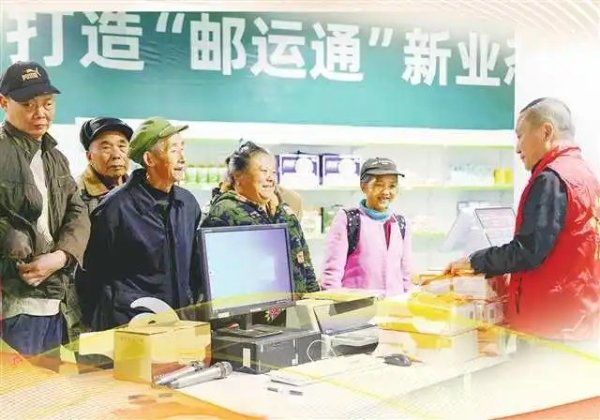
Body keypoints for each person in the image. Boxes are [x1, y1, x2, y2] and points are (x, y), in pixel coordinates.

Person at [445, 97, 600, 346]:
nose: (518, 148)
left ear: (546, 131)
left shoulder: (551, 179)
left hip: (548, 324)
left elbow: (528, 251)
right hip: (580, 317)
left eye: (520, 136)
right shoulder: (585, 174)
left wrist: (475, 261)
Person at [0, 61, 90, 369]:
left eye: (47, 104)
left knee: (47, 389)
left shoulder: (57, 158)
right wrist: (14, 243)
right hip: (14, 302)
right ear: (4, 103)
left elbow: (78, 211)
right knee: (17, 392)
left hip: (56, 302)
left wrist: (62, 256)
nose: (40, 113)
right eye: (28, 105)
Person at [83, 117, 202, 330]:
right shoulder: (115, 208)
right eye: (174, 150)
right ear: (149, 159)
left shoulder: (188, 204)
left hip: (179, 324)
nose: (182, 158)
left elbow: (194, 268)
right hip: (132, 327)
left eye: (182, 149)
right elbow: (92, 275)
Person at [201, 141, 319, 294]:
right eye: (264, 171)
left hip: (298, 305)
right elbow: (220, 279)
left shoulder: (285, 212)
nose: (270, 178)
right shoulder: (225, 213)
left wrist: (314, 296)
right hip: (254, 306)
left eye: (273, 172)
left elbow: (305, 263)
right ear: (238, 176)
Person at [320, 157, 413, 296]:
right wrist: (333, 304)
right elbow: (331, 276)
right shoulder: (348, 219)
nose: (386, 192)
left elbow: (406, 275)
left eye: (392, 186)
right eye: (379, 185)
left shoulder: (401, 223)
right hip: (358, 307)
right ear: (363, 186)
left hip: (393, 306)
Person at [77, 117, 133, 214]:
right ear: (90, 157)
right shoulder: (75, 193)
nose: (116, 155)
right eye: (106, 147)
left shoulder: (140, 188)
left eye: (121, 146)